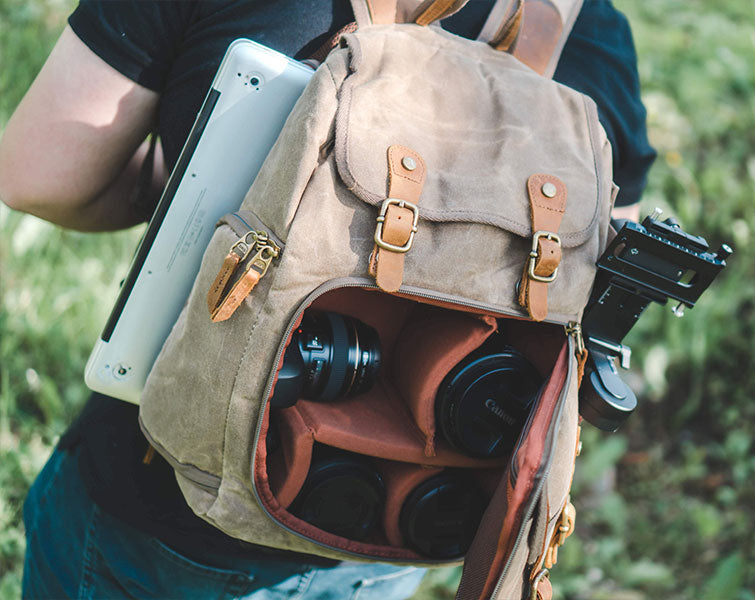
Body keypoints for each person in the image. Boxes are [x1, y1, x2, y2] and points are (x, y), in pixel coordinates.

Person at [0, 1, 655, 597]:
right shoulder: (589, 33)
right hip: (394, 527)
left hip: (157, 516)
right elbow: (591, 293)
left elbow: (40, 175)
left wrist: (201, 201)